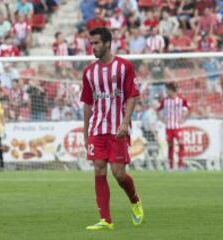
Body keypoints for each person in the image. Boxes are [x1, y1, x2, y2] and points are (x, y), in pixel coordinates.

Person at [80, 27, 144, 230]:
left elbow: (133, 95)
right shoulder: (89, 72)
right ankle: (105, 220)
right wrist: (86, 133)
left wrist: (125, 123)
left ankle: (135, 201)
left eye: (97, 43)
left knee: (118, 174)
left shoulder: (124, 66)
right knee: (99, 169)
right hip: (98, 128)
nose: (93, 47)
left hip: (117, 128)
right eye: (91, 43)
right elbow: (88, 103)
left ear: (107, 43)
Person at [156, 83, 190, 170]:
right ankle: (171, 166)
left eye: (167, 90)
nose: (166, 91)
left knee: (181, 144)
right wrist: (162, 119)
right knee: (170, 146)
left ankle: (180, 165)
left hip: (178, 127)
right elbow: (157, 110)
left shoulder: (181, 100)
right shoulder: (165, 101)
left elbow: (187, 109)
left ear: (171, 90)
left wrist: (183, 118)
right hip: (169, 128)